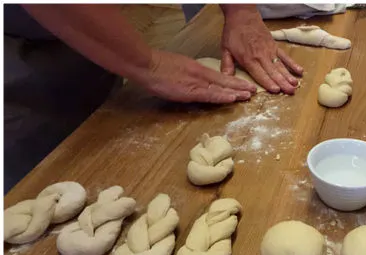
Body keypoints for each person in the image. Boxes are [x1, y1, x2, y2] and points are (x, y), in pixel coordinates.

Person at [5, 4, 303, 191]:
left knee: (103, 152)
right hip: (16, 41)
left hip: (95, 26)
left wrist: (241, 11)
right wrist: (147, 64)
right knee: (36, 180)